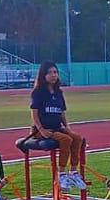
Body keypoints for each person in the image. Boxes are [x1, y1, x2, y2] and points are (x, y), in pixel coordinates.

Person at [30, 62, 87, 190]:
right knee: (65, 139)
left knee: (77, 138)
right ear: (43, 75)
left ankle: (73, 172)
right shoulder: (38, 92)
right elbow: (34, 114)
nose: (53, 75)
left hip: (57, 127)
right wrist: (41, 130)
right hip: (42, 130)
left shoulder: (58, 92)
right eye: (50, 72)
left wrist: (67, 127)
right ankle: (61, 174)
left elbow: (61, 112)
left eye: (55, 72)